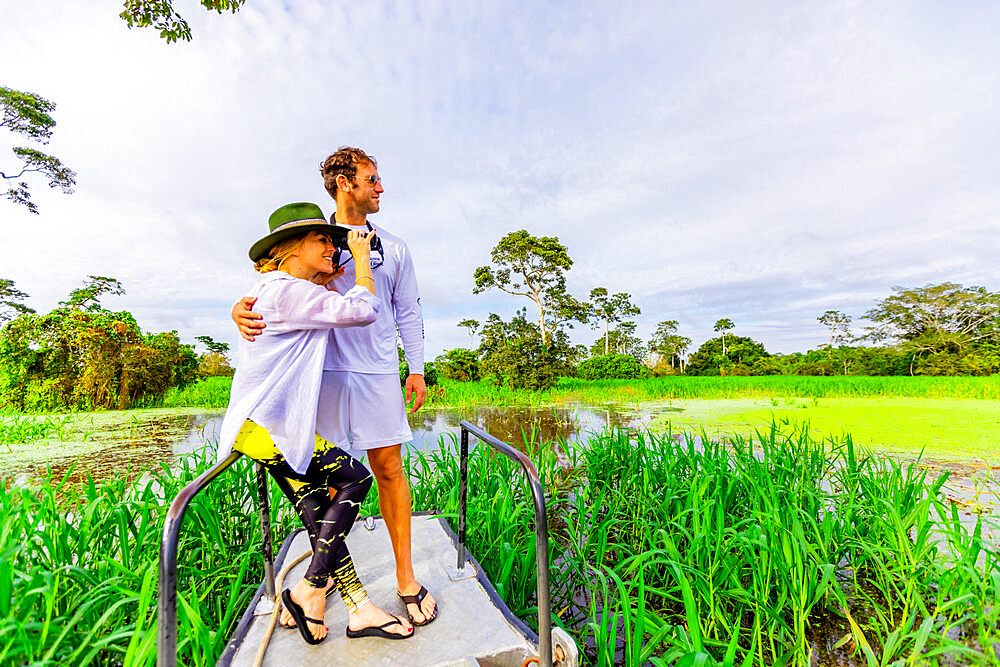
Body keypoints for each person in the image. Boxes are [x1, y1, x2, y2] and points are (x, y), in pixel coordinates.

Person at [233, 148, 438, 627]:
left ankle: (405, 581)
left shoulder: (396, 247)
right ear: (345, 183)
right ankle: (323, 588)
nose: (380, 187)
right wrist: (236, 310)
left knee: (387, 469)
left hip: (378, 372)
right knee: (324, 482)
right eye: (372, 179)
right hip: (319, 375)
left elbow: (408, 310)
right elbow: (272, 284)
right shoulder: (313, 240)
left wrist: (417, 368)